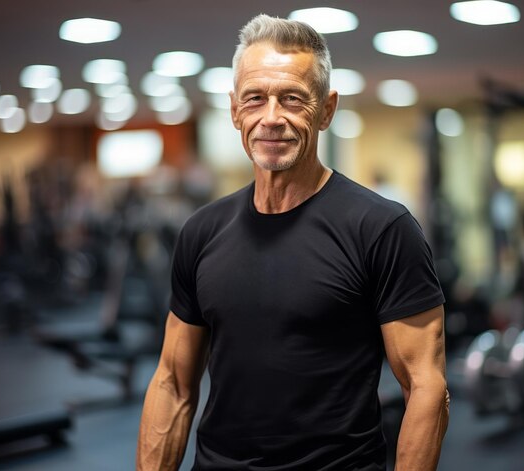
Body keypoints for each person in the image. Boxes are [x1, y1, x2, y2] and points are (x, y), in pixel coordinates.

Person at [137, 14, 449, 471]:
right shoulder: (201, 232)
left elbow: (427, 387)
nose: (271, 118)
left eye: (292, 99)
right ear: (234, 109)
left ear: (326, 108)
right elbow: (173, 383)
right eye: (255, 99)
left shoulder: (381, 228)